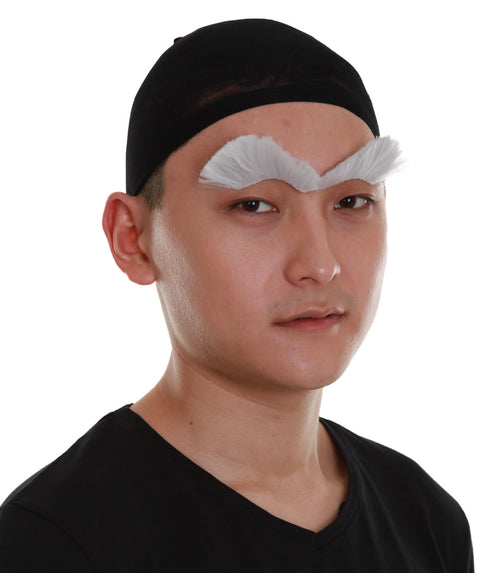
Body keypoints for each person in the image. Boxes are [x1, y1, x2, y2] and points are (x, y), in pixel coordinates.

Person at [0, 18, 474, 572]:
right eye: (254, 205)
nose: (320, 264)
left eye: (351, 202)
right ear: (133, 238)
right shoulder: (53, 544)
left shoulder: (424, 517)